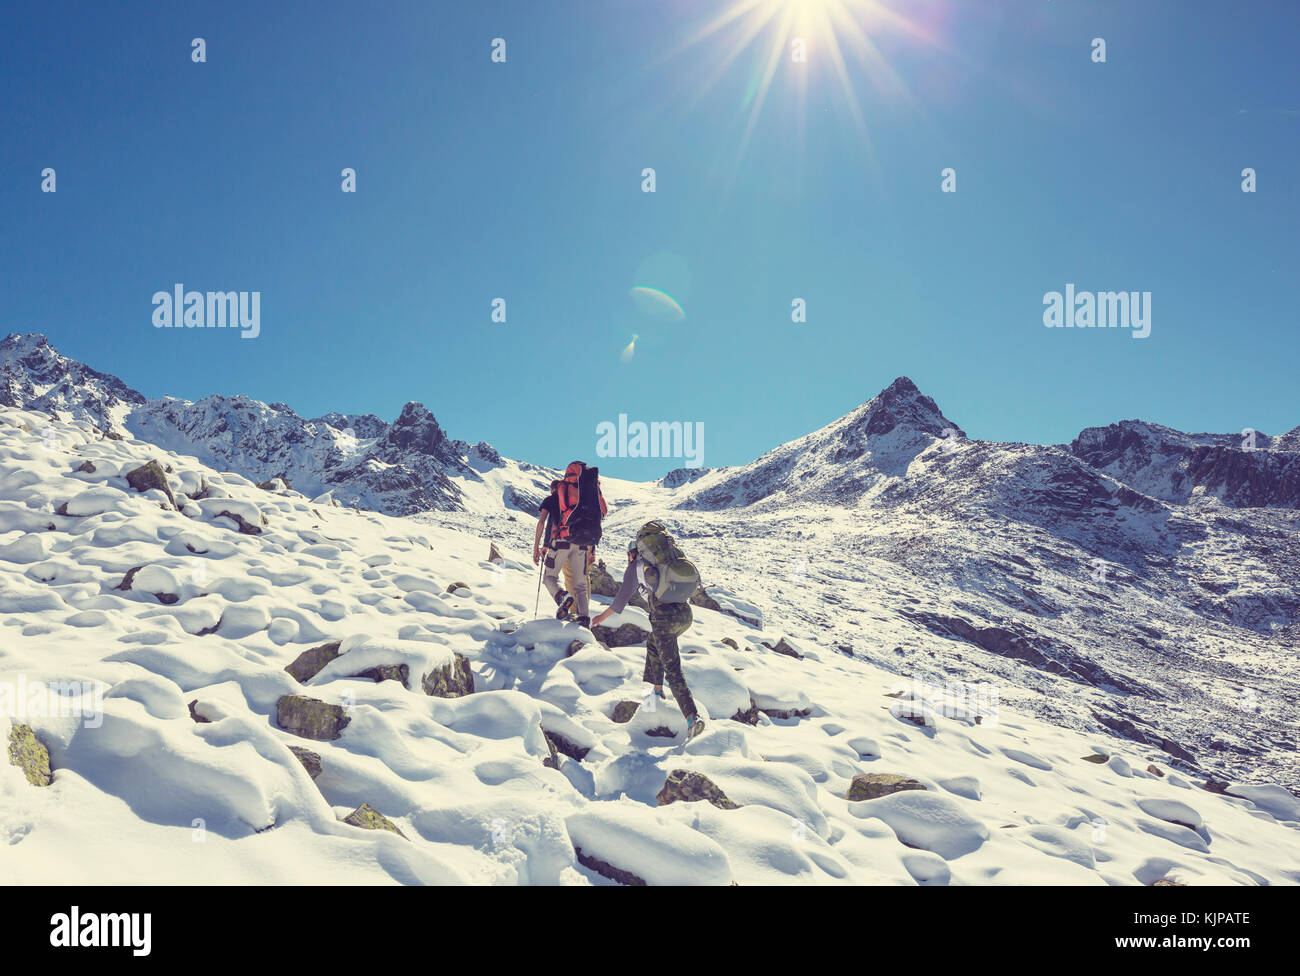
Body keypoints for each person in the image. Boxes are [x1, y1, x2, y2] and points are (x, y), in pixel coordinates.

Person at [592, 521, 705, 740]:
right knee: (653, 645)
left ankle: (692, 718)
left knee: (673, 668)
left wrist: (599, 618)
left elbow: (619, 602)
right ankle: (653, 695)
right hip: (684, 614)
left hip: (664, 618)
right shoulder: (663, 565)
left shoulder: (636, 568)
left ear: (633, 553)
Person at [541, 461, 607, 627]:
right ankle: (584, 619)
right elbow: (603, 512)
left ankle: (563, 597)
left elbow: (551, 520)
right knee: (580, 585)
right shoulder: (591, 493)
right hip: (584, 545)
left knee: (549, 577)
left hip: (562, 540)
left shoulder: (562, 490)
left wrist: (544, 545)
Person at [533, 480, 581, 617]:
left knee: (549, 577)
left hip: (559, 543)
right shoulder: (574, 501)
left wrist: (537, 548)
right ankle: (580, 615)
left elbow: (542, 522)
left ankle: (562, 597)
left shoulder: (550, 499)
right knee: (577, 582)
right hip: (578, 544)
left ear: (552, 489)